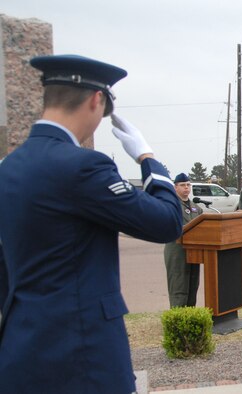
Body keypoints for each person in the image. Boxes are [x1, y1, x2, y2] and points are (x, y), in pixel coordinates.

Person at [0, 54, 182, 393]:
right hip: (83, 360)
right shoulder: (83, 167)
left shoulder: (7, 168)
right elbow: (167, 222)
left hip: (20, 352)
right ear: (97, 100)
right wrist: (149, 160)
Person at [164, 173, 203, 308]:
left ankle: (190, 314)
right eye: (182, 185)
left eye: (188, 185)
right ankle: (178, 316)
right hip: (177, 250)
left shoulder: (196, 207)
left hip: (194, 251)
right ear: (175, 188)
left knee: (193, 284)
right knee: (178, 284)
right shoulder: (171, 205)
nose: (186, 188)